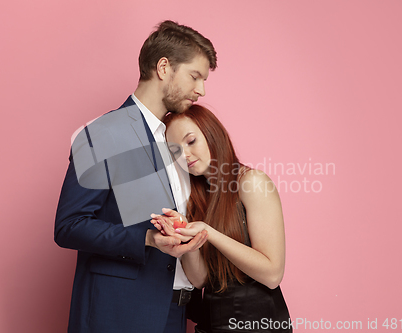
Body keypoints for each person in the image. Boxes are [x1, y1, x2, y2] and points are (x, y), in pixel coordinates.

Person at [54, 21, 217, 333]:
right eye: (195, 76)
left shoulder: (176, 139)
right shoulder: (103, 133)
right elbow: (69, 226)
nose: (201, 90)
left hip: (174, 313)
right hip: (118, 313)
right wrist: (147, 239)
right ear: (164, 67)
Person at [151, 105, 292, 333]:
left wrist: (209, 232)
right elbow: (200, 281)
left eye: (191, 141)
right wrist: (186, 236)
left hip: (258, 322)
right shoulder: (195, 198)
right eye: (174, 150)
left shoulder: (252, 182)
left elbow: (272, 274)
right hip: (212, 322)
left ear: (212, 133)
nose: (184, 155)